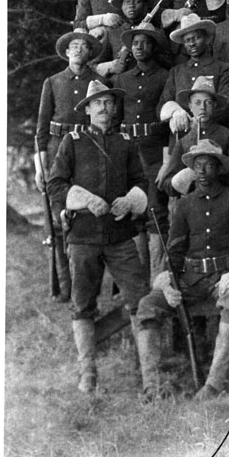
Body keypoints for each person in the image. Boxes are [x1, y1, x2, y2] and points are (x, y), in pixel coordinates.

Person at [46, 80, 150, 393]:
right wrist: (86, 200)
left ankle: (150, 379)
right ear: (88, 109)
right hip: (83, 237)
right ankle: (87, 374)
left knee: (141, 299)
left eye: (108, 102)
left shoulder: (126, 142)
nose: (104, 108)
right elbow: (55, 187)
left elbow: (141, 183)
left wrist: (129, 200)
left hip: (120, 236)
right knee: (82, 303)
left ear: (115, 107)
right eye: (98, 103)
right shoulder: (72, 142)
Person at [134, 139, 229, 399]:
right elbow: (174, 251)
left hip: (224, 279)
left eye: (209, 165)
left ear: (218, 168)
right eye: (198, 165)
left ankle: (213, 383)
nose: (202, 171)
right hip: (189, 279)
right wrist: (169, 284)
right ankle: (152, 388)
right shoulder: (184, 204)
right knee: (147, 306)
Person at [34, 28, 106, 301]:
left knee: (84, 220)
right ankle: (65, 288)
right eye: (73, 46)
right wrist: (41, 166)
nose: (77, 50)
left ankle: (85, 290)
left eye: (83, 46)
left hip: (85, 153)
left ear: (90, 53)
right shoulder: (52, 82)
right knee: (58, 219)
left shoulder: (98, 82)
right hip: (55, 154)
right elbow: (41, 128)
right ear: (66, 53)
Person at [111, 23, 172, 279]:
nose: (139, 48)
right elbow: (115, 121)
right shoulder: (123, 79)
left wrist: (168, 160)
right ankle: (137, 280)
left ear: (153, 46)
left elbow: (171, 124)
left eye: (145, 43)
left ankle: (158, 278)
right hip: (130, 154)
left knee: (155, 211)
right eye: (135, 43)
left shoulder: (165, 76)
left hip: (155, 151)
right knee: (133, 213)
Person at [159, 75, 229, 196]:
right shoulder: (184, 141)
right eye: (197, 103)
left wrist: (217, 168)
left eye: (208, 102)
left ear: (215, 105)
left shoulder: (228, 136)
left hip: (222, 199)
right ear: (190, 107)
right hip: (193, 205)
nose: (202, 108)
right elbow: (167, 184)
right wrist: (185, 177)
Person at [158, 13, 229, 132]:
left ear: (207, 39)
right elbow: (161, 105)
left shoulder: (223, 69)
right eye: (187, 40)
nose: (192, 43)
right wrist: (175, 112)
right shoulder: (176, 72)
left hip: (212, 136)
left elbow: (226, 105)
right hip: (182, 138)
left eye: (196, 38)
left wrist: (195, 121)